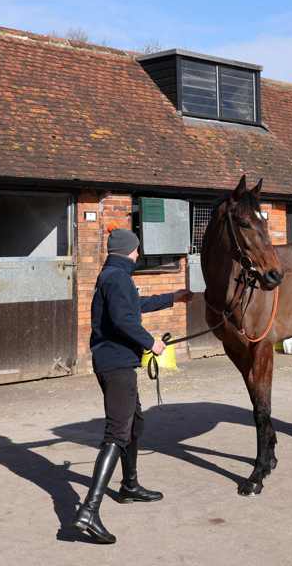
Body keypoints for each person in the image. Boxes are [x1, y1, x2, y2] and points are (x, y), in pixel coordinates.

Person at [72, 227, 192, 545]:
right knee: (117, 432)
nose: (139, 255)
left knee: (135, 423)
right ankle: (89, 510)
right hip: (117, 365)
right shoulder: (117, 277)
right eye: (137, 250)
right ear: (129, 250)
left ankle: (129, 485)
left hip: (115, 362)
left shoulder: (114, 275)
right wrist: (151, 342)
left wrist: (173, 298)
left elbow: (134, 305)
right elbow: (124, 320)